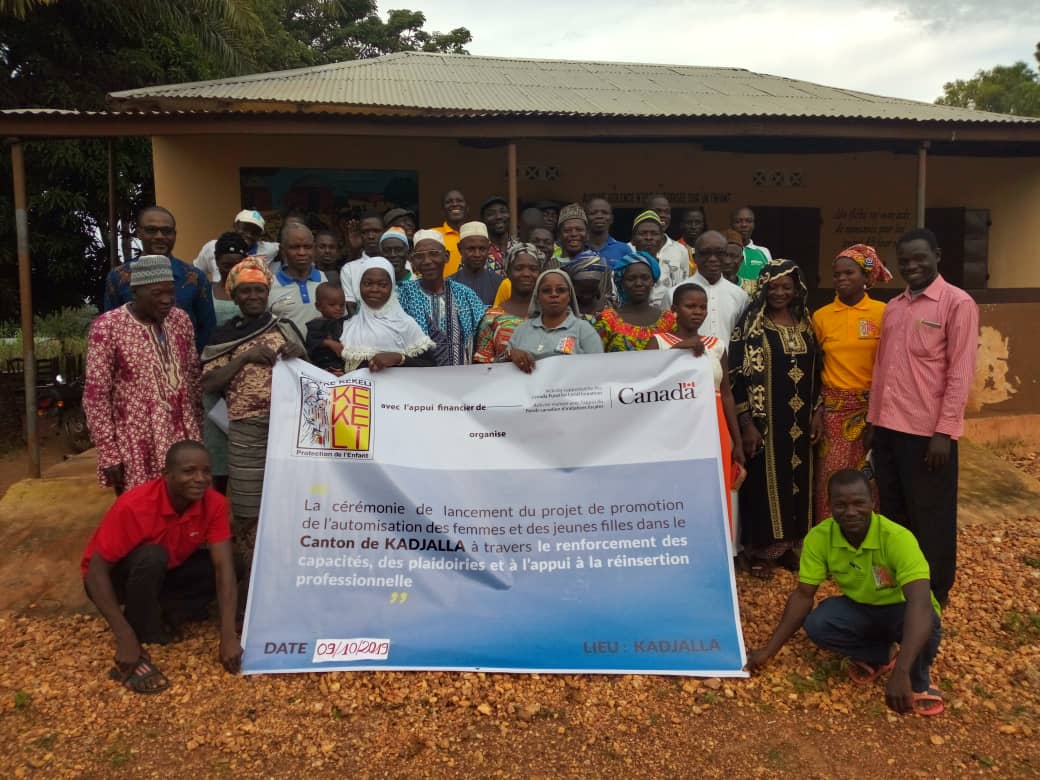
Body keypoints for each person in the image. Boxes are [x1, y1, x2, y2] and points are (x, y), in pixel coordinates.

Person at [746, 469, 945, 718]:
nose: (850, 512)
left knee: (927, 621)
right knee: (819, 623)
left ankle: (919, 679)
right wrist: (769, 650)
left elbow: (920, 604)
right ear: (829, 505)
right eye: (840, 505)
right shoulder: (819, 537)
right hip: (860, 607)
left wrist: (901, 673)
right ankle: (883, 655)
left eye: (859, 503)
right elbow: (803, 596)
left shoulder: (897, 538)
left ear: (874, 502)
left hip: (902, 610)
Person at [867, 228, 978, 607]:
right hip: (887, 428)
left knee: (931, 513)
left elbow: (960, 373)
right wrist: (873, 422)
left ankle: (935, 591)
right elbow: (883, 368)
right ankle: (902, 581)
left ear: (937, 255)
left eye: (919, 258)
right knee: (894, 510)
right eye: (905, 261)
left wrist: (944, 432)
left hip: (927, 434)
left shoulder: (957, 303)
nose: (912, 266)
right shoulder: (895, 307)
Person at [82, 441, 242, 693]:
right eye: (189, 471)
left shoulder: (215, 504)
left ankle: (164, 615)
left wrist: (228, 635)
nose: (200, 479)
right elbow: (94, 572)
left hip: (164, 572)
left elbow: (223, 568)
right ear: (167, 475)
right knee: (152, 556)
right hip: (116, 580)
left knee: (235, 563)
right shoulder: (134, 505)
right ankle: (142, 630)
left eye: (206, 471)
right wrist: (124, 637)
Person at [201, 259, 307, 573]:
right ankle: (252, 579)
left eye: (258, 290)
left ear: (267, 292)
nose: (252, 296)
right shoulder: (223, 335)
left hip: (288, 430)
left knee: (290, 505)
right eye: (244, 291)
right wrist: (245, 356)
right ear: (234, 296)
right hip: (245, 432)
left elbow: (310, 374)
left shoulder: (284, 327)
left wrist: (298, 353)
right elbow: (208, 383)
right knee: (248, 509)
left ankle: (288, 573)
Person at [730, 259, 819, 577]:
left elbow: (818, 373)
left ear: (797, 290)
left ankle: (789, 548)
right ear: (763, 289)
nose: (780, 292)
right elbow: (735, 376)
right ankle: (760, 551)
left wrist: (818, 411)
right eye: (773, 287)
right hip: (765, 424)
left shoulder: (805, 323)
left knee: (796, 483)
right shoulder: (751, 326)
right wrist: (746, 423)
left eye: (787, 286)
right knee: (763, 485)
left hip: (800, 422)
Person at [85, 256, 202, 495]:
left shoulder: (181, 320)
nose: (167, 300)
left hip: (182, 437)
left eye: (171, 292)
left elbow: (192, 378)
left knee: (186, 510)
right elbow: (96, 396)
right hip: (137, 444)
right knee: (143, 516)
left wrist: (198, 432)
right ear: (136, 291)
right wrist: (108, 453)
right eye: (157, 293)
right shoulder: (108, 327)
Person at [646, 282, 745, 527]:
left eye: (702, 307)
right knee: (675, 487)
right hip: (673, 429)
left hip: (714, 428)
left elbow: (727, 395)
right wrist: (679, 349)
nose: (697, 311)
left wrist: (737, 441)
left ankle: (716, 547)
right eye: (691, 306)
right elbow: (647, 384)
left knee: (714, 488)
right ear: (675, 309)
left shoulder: (717, 346)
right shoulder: (658, 343)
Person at [810, 243, 892, 524]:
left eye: (849, 273)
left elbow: (890, 366)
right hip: (833, 413)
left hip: (872, 411)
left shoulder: (883, 314)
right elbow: (815, 368)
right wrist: (818, 410)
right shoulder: (821, 317)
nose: (842, 279)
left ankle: (868, 548)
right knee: (829, 481)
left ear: (866, 277)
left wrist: (876, 418)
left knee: (868, 482)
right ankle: (829, 547)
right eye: (837, 274)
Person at [104, 206, 216, 353]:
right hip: (133, 367)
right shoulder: (119, 277)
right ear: (139, 233)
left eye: (166, 231)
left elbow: (207, 329)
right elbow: (110, 329)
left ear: (174, 235)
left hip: (184, 367)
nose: (159, 236)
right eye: (151, 230)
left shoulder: (195, 278)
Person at [398, 230, 487, 366]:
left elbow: (486, 326)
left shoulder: (465, 294)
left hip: (461, 379)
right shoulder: (403, 294)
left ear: (446, 256)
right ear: (413, 261)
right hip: (416, 380)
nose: (427, 261)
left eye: (434, 254)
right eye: (420, 256)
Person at [205, 232, 248, 494]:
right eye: (225, 263)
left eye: (237, 263)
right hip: (216, 382)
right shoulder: (206, 292)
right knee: (217, 452)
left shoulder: (254, 291)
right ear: (217, 262)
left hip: (247, 385)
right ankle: (218, 511)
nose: (231, 269)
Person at [340, 257, 436, 371]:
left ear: (391, 288)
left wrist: (400, 358)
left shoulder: (405, 325)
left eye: (382, 284)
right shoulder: (348, 325)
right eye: (367, 283)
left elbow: (430, 366)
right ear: (358, 285)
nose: (374, 289)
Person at [668, 230, 749, 351]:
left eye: (719, 253)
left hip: (725, 367)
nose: (712, 259)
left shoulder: (740, 295)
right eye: (705, 253)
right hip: (685, 365)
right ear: (695, 257)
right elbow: (666, 336)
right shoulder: (673, 293)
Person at [508, 269, 603, 372]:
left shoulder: (584, 330)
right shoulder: (522, 330)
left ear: (569, 296)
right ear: (537, 297)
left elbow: (598, 370)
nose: (554, 294)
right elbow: (499, 370)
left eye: (561, 290)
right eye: (546, 290)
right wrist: (510, 354)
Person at [475, 244, 544, 363]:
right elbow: (482, 367)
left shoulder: (552, 314)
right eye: (519, 268)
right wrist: (507, 356)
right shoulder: (492, 318)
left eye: (533, 269)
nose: (526, 274)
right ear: (508, 272)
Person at [594, 252, 676, 352]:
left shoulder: (669, 320)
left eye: (645, 278)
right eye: (631, 279)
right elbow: (595, 358)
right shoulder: (607, 320)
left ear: (653, 281)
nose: (638, 283)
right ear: (621, 283)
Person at [268, 222, 327, 334]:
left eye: (307, 247)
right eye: (295, 247)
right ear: (282, 250)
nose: (302, 252)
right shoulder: (269, 285)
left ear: (314, 248)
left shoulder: (326, 279)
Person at [193, 209, 279, 284]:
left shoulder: (269, 249)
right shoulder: (212, 247)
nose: (249, 235)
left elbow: (286, 247)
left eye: (255, 232)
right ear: (235, 225)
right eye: (245, 229)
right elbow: (196, 272)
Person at [449, 221, 505, 305]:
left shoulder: (499, 283)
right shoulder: (448, 284)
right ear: (460, 249)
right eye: (471, 249)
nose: (477, 254)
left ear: (489, 248)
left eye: (482, 249)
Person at [646, 195, 689, 294]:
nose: (663, 215)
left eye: (667, 212)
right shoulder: (630, 249)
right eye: (657, 211)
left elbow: (684, 287)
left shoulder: (681, 250)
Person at [305, 283, 350, 375]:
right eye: (332, 305)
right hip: (324, 364)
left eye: (342, 305)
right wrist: (329, 343)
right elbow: (311, 341)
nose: (338, 308)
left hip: (345, 362)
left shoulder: (345, 322)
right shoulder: (316, 325)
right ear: (318, 306)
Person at [629, 209, 670, 307]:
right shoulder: (623, 269)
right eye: (643, 233)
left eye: (654, 234)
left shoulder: (671, 269)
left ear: (661, 240)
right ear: (633, 240)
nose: (648, 238)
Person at [732, 206, 772, 294]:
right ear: (732, 225)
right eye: (738, 221)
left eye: (748, 221)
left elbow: (769, 282)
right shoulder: (726, 252)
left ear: (754, 224)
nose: (744, 225)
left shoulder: (764, 252)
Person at [564, 251, 613, 318]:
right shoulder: (564, 308)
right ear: (572, 285)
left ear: (598, 286)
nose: (587, 296)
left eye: (592, 290)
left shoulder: (607, 306)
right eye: (582, 291)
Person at [432, 189, 468, 277]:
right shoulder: (433, 235)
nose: (455, 204)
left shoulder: (475, 234)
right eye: (449, 202)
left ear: (467, 208)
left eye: (459, 201)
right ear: (442, 210)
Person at [585, 197, 629, 266]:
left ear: (611, 219)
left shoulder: (624, 249)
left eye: (605, 213)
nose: (599, 216)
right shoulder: (579, 247)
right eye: (593, 213)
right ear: (586, 218)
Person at [481, 196, 518, 275]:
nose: (499, 217)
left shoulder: (519, 249)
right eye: (491, 214)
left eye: (503, 211)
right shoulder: (479, 252)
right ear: (483, 220)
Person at [678, 206, 707, 276]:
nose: (693, 226)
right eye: (689, 222)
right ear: (682, 225)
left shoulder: (709, 249)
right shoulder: (674, 248)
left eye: (697, 223)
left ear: (703, 225)